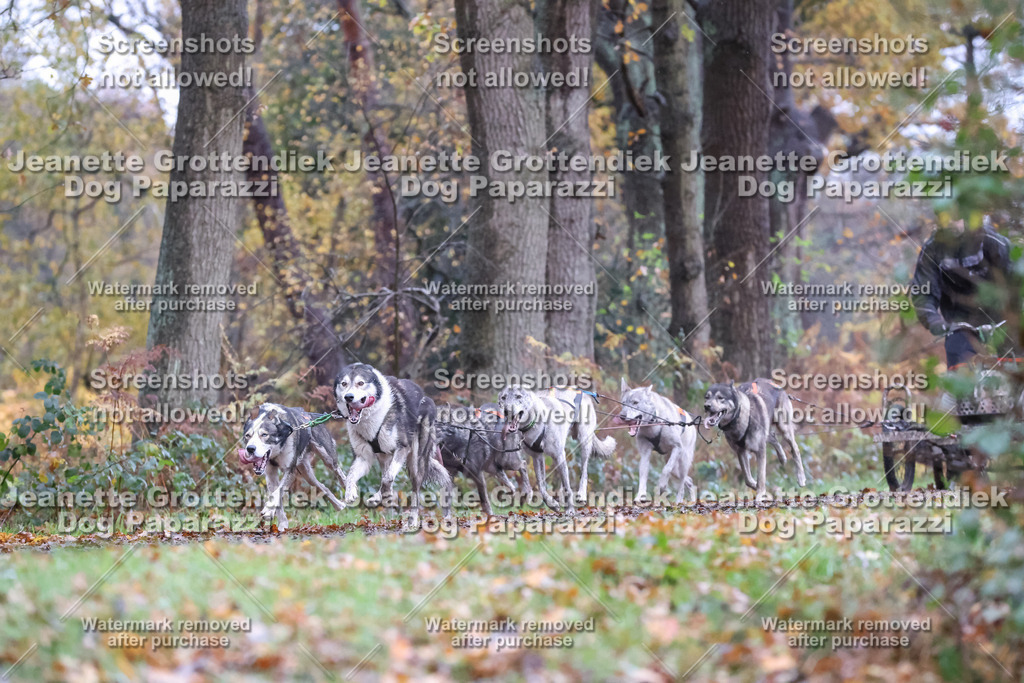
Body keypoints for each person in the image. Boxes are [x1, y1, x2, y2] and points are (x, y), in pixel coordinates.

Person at [912, 220, 1015, 367]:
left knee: (1018, 364)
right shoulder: (932, 249)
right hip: (960, 325)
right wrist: (934, 321)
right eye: (944, 216)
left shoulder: (992, 241)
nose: (949, 221)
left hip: (1002, 319)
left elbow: (1017, 279)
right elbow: (923, 293)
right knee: (959, 370)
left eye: (955, 216)